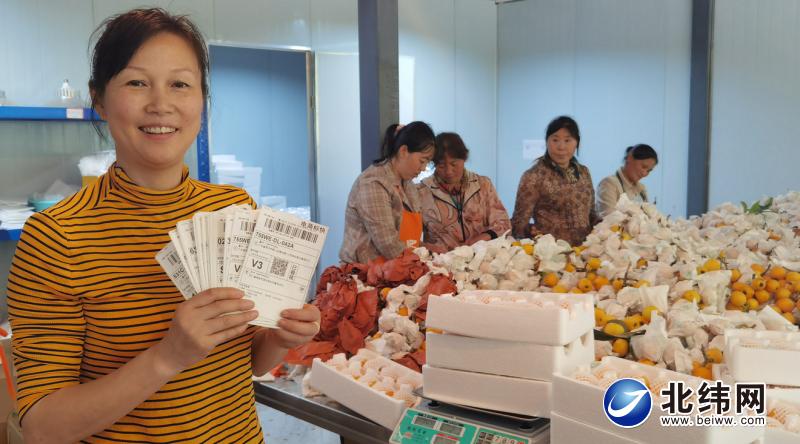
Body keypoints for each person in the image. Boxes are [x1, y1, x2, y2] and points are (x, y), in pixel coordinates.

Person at [7, 9, 319, 443]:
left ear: (201, 99)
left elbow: (245, 362)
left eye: (180, 84)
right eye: (137, 82)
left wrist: (281, 337)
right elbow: (43, 428)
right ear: (99, 98)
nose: (161, 104)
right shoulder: (57, 237)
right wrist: (168, 355)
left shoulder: (233, 209)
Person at [339, 122, 444, 263]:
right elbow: (389, 245)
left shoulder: (408, 184)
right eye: (422, 161)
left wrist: (429, 249)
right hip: (366, 274)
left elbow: (409, 241)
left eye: (427, 163)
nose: (424, 168)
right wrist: (423, 263)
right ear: (404, 151)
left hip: (399, 267)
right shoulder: (374, 183)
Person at [510, 116, 599, 245]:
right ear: (547, 142)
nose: (561, 147)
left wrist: (606, 224)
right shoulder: (534, 176)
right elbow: (519, 223)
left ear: (577, 143)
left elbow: (591, 213)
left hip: (585, 252)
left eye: (567, 140)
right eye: (555, 140)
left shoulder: (584, 172)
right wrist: (530, 232)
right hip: (551, 254)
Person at [418, 132, 510, 250]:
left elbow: (504, 224)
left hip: (482, 258)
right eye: (441, 165)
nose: (449, 171)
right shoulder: (422, 191)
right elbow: (410, 239)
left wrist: (483, 238)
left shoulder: (482, 185)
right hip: (441, 262)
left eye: (454, 164)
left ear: (464, 158)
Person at [596, 144, 658, 217]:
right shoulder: (609, 184)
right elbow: (608, 219)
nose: (644, 173)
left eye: (649, 171)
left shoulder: (642, 189)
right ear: (629, 158)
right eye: (643, 167)